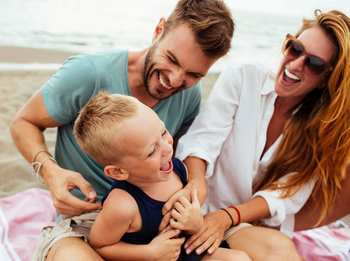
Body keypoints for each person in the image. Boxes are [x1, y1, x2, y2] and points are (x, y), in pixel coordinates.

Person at [10, 0, 234, 260]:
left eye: (194, 74)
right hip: (88, 222)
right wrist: (51, 173)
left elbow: (180, 151)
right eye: (171, 59)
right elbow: (23, 122)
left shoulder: (189, 93)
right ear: (158, 30)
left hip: (157, 222)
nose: (174, 80)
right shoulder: (88, 73)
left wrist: (195, 187)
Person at [171, 9, 350, 260]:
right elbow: (203, 140)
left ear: (326, 79)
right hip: (194, 207)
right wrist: (196, 185)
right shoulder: (244, 76)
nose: (295, 64)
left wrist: (228, 217)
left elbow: (284, 194)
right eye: (295, 49)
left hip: (239, 221)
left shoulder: (321, 127)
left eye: (315, 64)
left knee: (281, 250)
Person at [72, 91, 251, 261]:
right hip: (148, 257)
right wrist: (149, 253)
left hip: (183, 250)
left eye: (163, 132)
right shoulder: (122, 205)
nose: (167, 148)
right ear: (118, 172)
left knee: (240, 258)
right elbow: (100, 245)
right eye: (151, 152)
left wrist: (195, 224)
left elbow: (189, 216)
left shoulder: (177, 169)